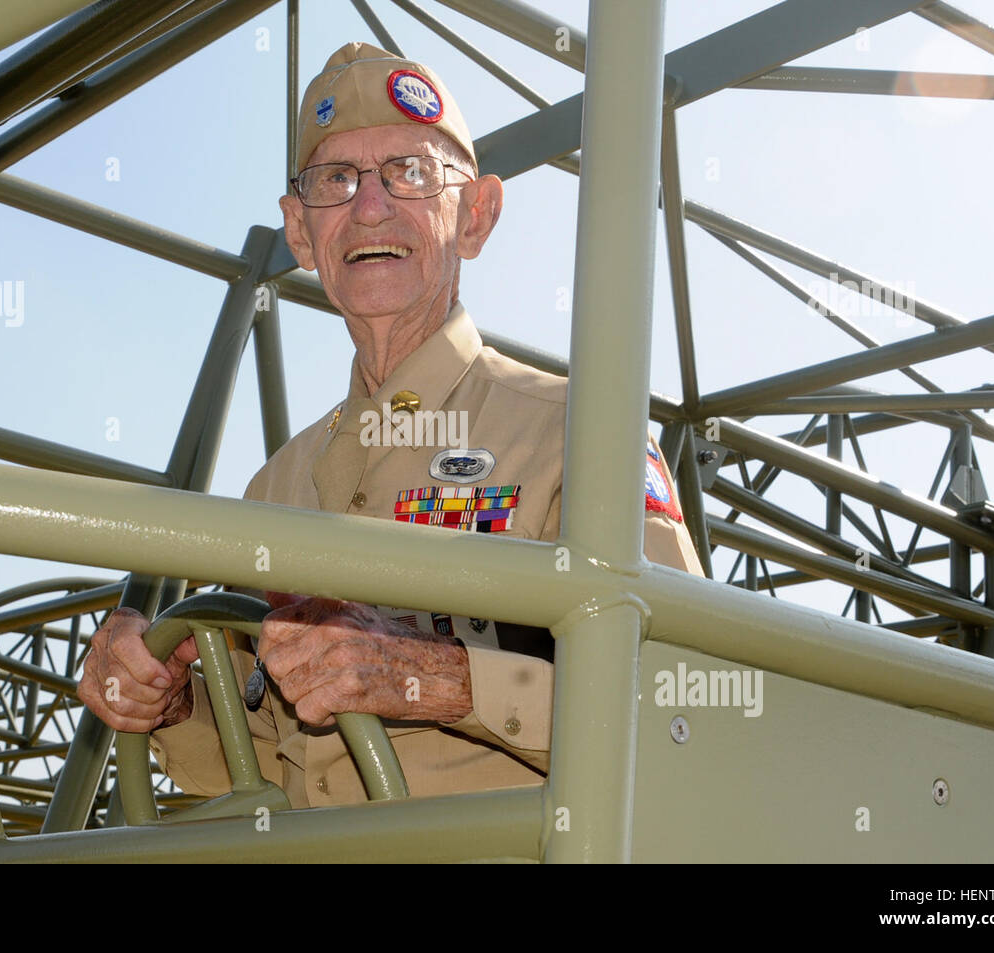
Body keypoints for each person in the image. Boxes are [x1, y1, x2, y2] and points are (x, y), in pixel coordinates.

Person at [77, 42, 705, 808]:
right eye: (336, 181)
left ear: (476, 216)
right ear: (302, 234)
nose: (369, 207)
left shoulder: (579, 434)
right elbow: (253, 755)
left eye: (409, 172)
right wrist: (161, 695)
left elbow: (682, 700)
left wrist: (443, 681)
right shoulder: (272, 485)